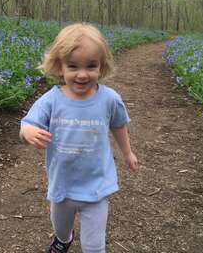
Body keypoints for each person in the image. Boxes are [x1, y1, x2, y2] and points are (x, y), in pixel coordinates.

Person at [19, 23, 139, 253]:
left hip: (97, 187)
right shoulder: (51, 100)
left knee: (94, 246)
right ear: (59, 66)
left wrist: (127, 152)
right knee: (62, 230)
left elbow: (119, 125)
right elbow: (27, 125)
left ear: (101, 67)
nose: (82, 74)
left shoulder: (109, 99)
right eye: (73, 66)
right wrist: (28, 132)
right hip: (62, 185)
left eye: (91, 66)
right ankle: (64, 240)